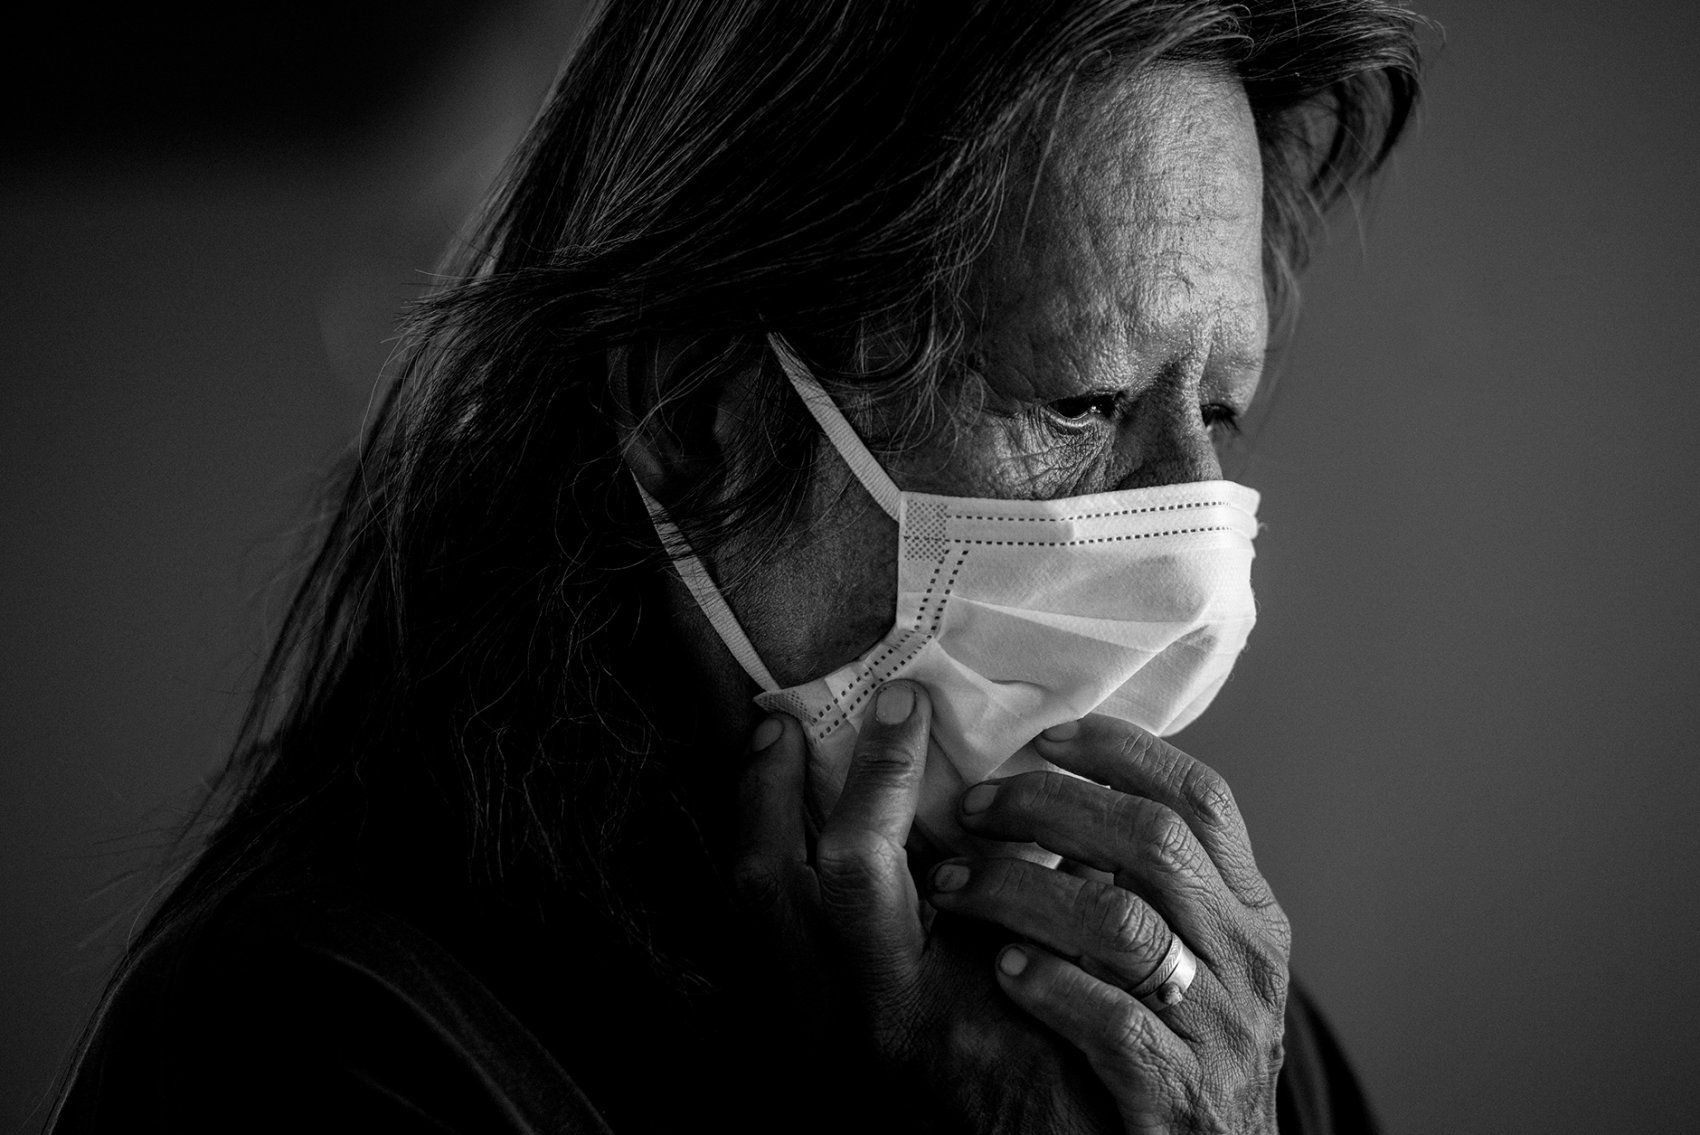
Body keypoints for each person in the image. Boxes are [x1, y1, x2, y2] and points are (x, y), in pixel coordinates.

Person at [48, 2, 1422, 1131]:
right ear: (702, 421)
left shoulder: (1182, 1017)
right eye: (1083, 403)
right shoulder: (321, 1048)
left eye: (1221, 412)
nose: (1191, 533)